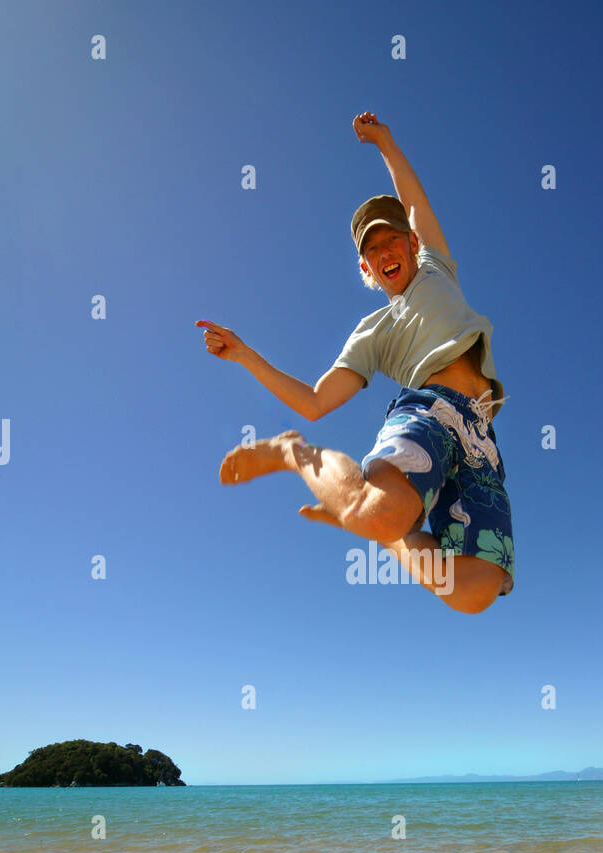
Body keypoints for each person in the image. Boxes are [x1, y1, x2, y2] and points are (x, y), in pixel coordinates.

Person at [196, 112, 514, 613]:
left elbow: (414, 201)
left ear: (412, 244)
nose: (385, 251)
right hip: (429, 412)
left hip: (479, 435)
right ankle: (293, 454)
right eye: (372, 250)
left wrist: (385, 141)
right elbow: (316, 400)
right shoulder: (373, 332)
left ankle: (375, 523)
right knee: (376, 512)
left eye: (392, 239)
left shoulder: (436, 270)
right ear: (366, 268)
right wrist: (244, 355)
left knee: (476, 590)